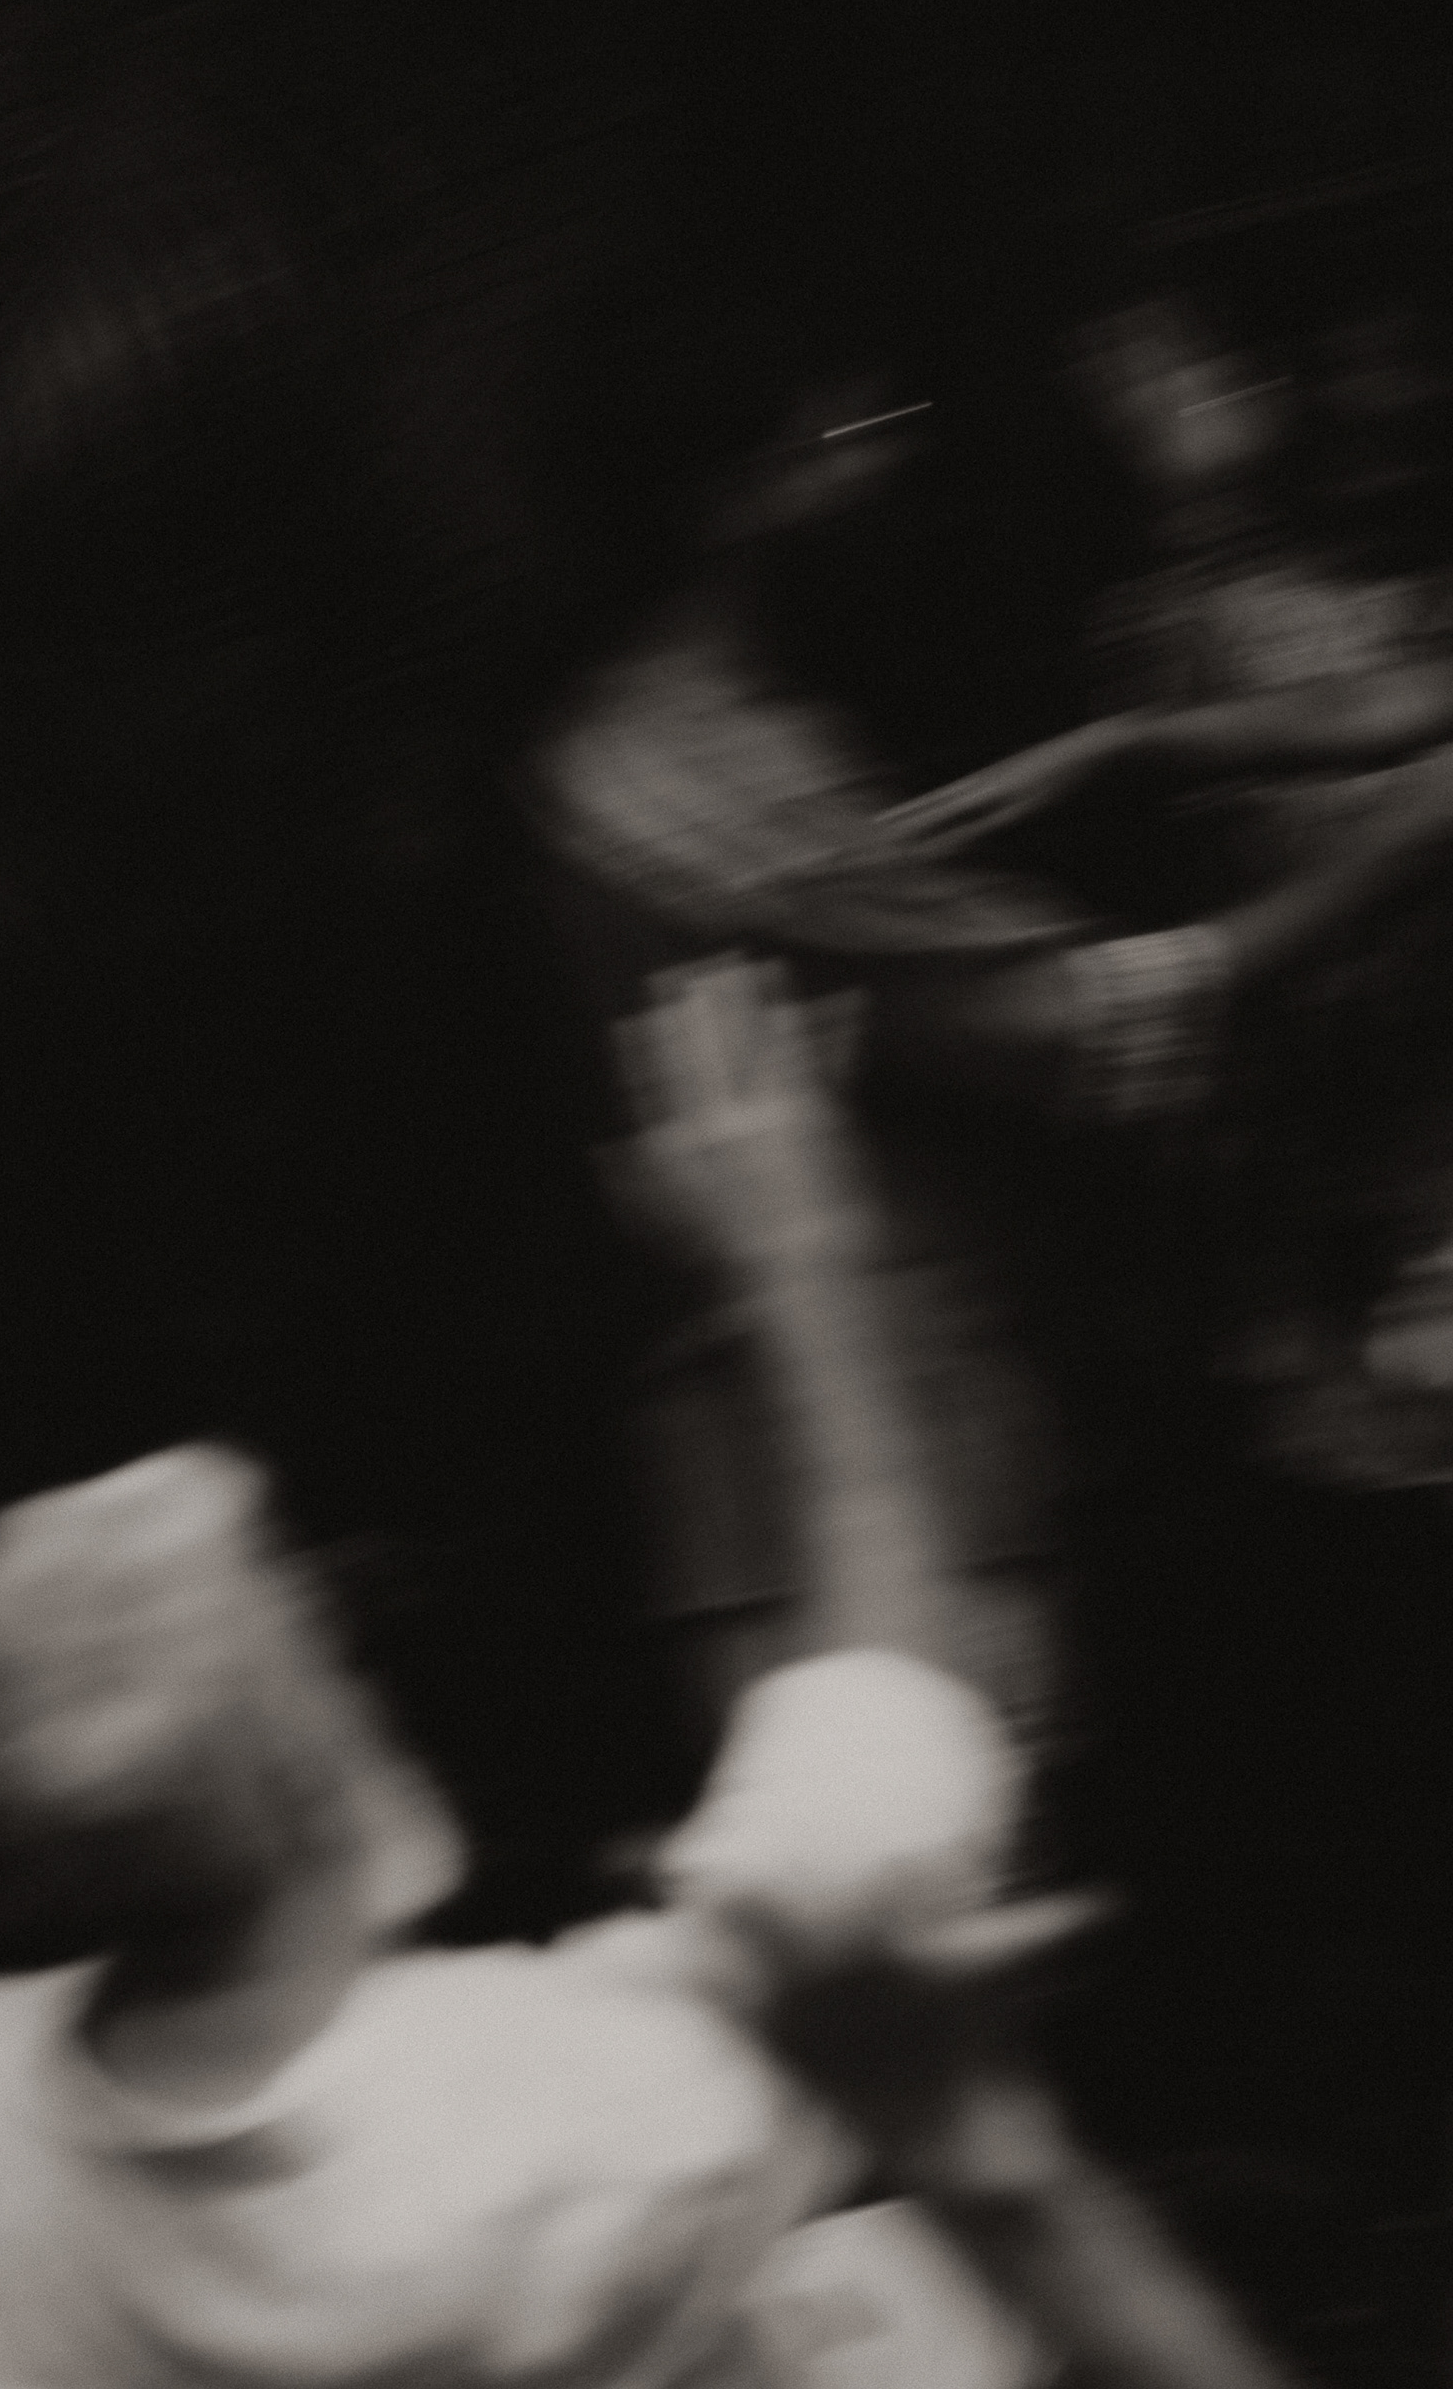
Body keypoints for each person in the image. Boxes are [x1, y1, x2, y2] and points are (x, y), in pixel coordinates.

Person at [0, 958, 1297, 2389]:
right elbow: (893, 1755)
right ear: (307, 1765)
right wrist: (802, 1257)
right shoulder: (572, 2135)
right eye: (312, 1621)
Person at [528, 316, 1453, 1738]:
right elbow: (1084, 1028)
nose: (880, 466)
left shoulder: (627, 744)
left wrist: (1135, 745)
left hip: (780, 1421)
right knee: (918, 1819)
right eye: (833, 444)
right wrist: (1399, 851)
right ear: (725, 501)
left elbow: (1403, 701)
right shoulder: (714, 781)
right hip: (853, 1431)